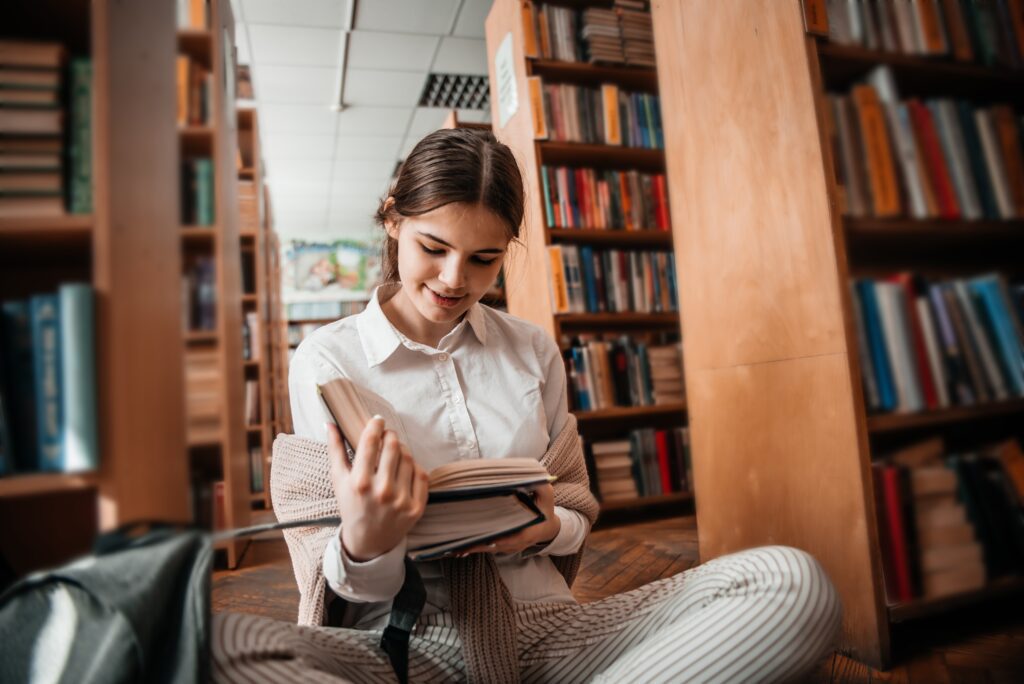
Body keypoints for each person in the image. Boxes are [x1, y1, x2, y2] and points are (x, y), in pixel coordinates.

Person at [212, 128, 842, 683]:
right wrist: (367, 542)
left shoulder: (532, 350)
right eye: (434, 247)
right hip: (396, 644)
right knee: (214, 642)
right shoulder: (325, 359)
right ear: (392, 221)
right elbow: (338, 588)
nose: (456, 279)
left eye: (484, 259)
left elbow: (572, 503)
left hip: (543, 628)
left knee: (793, 583)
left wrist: (548, 527)